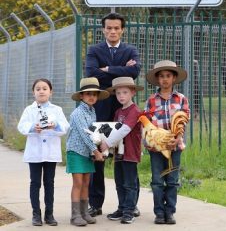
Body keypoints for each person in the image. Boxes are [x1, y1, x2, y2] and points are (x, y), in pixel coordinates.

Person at [85, 12, 141, 217]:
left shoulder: (130, 50)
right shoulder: (94, 50)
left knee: (126, 158)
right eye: (109, 28)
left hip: (124, 110)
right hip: (100, 110)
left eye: (116, 28)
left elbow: (135, 72)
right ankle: (96, 203)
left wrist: (107, 69)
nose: (113, 31)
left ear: (122, 30)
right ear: (103, 29)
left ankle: (129, 205)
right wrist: (120, 71)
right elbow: (91, 73)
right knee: (98, 156)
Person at [17, 78, 69, 226]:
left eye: (44, 88)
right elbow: (21, 126)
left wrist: (56, 125)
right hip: (34, 152)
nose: (41, 91)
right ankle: (36, 214)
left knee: (49, 183)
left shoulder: (57, 110)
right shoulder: (29, 110)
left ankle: (49, 214)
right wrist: (33, 128)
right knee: (35, 183)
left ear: (50, 92)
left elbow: (65, 127)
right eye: (38, 89)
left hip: (51, 153)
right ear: (34, 92)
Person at [144, 60, 190, 225]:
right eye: (161, 76)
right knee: (157, 180)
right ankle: (159, 212)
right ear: (157, 79)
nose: (165, 79)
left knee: (172, 179)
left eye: (168, 76)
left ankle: (170, 211)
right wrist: (154, 140)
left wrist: (176, 138)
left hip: (174, 145)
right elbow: (147, 123)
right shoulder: (151, 100)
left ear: (174, 78)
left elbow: (184, 120)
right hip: (156, 147)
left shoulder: (181, 99)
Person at [66, 77, 109, 226]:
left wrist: (100, 146)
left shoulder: (92, 112)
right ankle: (75, 215)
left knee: (86, 183)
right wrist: (96, 152)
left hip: (87, 153)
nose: (92, 97)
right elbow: (85, 134)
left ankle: (84, 212)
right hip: (76, 151)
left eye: (95, 94)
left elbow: (94, 132)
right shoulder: (77, 113)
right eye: (88, 93)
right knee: (78, 182)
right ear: (81, 96)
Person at [100, 77, 143, 224]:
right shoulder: (118, 111)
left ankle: (129, 211)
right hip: (119, 153)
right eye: (118, 93)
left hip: (130, 152)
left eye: (125, 92)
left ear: (132, 93)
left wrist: (107, 142)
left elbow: (125, 129)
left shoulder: (135, 110)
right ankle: (122, 207)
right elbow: (113, 130)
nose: (121, 96)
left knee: (130, 183)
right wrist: (109, 147)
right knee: (119, 182)